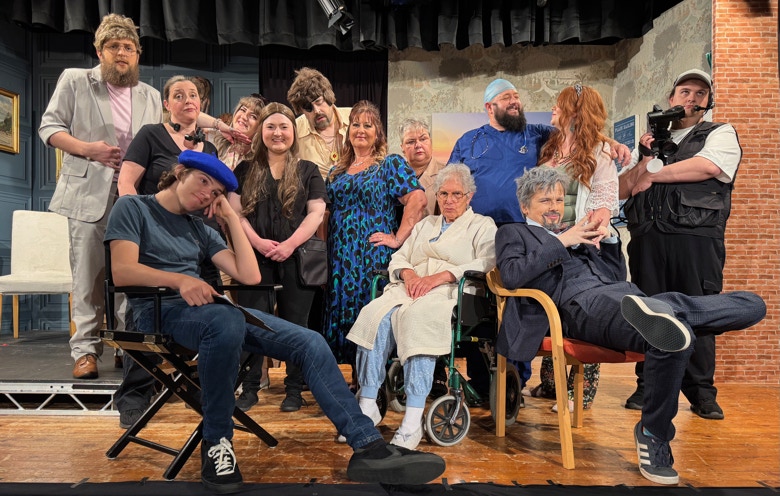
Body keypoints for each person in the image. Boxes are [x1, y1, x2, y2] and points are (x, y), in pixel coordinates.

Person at [104, 149, 446, 492]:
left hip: (211, 312)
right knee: (224, 322)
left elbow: (249, 275)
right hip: (157, 311)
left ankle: (368, 446)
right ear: (180, 172)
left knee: (310, 342)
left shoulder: (199, 229)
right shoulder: (134, 207)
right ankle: (217, 443)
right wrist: (180, 280)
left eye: (216, 192)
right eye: (203, 182)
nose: (207, 194)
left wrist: (230, 216)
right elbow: (122, 270)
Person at [495, 166, 764, 485]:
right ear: (525, 207)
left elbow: (615, 276)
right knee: (669, 324)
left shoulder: (577, 233)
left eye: (558, 200)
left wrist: (609, 239)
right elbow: (511, 275)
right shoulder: (514, 233)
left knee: (733, 310)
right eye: (545, 200)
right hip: (577, 306)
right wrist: (563, 241)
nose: (554, 207)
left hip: (623, 295)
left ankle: (663, 322)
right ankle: (655, 428)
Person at [114, 75, 243, 429]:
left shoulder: (210, 149)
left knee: (213, 314)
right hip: (156, 241)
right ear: (167, 104)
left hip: (202, 241)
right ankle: (134, 396)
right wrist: (140, 226)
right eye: (178, 95)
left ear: (201, 104)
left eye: (194, 95)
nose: (188, 100)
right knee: (145, 315)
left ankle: (202, 391)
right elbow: (126, 182)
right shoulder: (150, 135)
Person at [38, 13, 162, 380]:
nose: (122, 53)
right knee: (88, 274)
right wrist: (88, 149)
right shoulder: (76, 80)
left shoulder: (150, 95)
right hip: (88, 191)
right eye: (114, 46)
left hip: (134, 196)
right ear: (99, 51)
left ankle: (126, 344)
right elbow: (49, 127)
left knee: (129, 272)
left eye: (129, 47)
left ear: (137, 54)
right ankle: (85, 350)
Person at [618, 69, 742, 420]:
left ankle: (701, 392)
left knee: (699, 311)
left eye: (701, 93)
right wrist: (645, 159)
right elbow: (623, 188)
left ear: (708, 102)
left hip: (696, 238)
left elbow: (707, 167)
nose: (692, 98)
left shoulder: (719, 133)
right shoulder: (648, 143)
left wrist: (652, 173)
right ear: (671, 99)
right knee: (649, 313)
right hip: (647, 239)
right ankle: (647, 385)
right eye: (685, 91)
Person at [348, 164, 496, 449]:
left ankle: (413, 421)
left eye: (456, 194)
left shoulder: (482, 225)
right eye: (443, 194)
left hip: (449, 291)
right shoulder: (426, 225)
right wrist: (409, 275)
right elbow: (400, 257)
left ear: (469, 196)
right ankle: (367, 404)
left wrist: (440, 277)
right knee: (373, 316)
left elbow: (487, 261)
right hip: (410, 287)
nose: (449, 200)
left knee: (417, 318)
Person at [228, 103, 327, 413]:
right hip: (253, 260)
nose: (277, 133)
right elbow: (234, 213)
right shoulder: (244, 170)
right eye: (270, 126)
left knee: (297, 326)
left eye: (284, 126)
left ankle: (294, 390)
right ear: (261, 132)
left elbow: (316, 213)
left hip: (297, 260)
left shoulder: (308, 170)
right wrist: (257, 242)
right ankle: (250, 388)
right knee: (252, 322)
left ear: (293, 132)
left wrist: (289, 245)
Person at [529, 84, 619, 412]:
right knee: (553, 313)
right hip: (549, 243)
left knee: (584, 317)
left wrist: (587, 228)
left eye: (560, 105)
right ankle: (551, 384)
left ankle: (579, 394)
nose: (553, 109)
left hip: (585, 248)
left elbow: (604, 203)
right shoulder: (550, 147)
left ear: (575, 112)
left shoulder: (600, 151)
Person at [324, 100, 427, 370]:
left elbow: (417, 199)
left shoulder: (389, 164)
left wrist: (398, 238)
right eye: (355, 124)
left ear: (378, 133)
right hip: (339, 259)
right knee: (341, 312)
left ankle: (373, 379)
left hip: (371, 255)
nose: (360, 130)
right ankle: (352, 378)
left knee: (370, 313)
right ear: (348, 131)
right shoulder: (336, 171)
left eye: (367, 125)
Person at [287, 67, 351, 179]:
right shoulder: (294, 130)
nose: (316, 110)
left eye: (318, 102)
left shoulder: (354, 119)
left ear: (328, 97)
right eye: (308, 107)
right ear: (300, 110)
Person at [400, 119, 445, 216]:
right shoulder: (394, 174)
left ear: (431, 142)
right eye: (411, 142)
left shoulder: (446, 173)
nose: (418, 145)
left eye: (423, 139)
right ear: (402, 148)